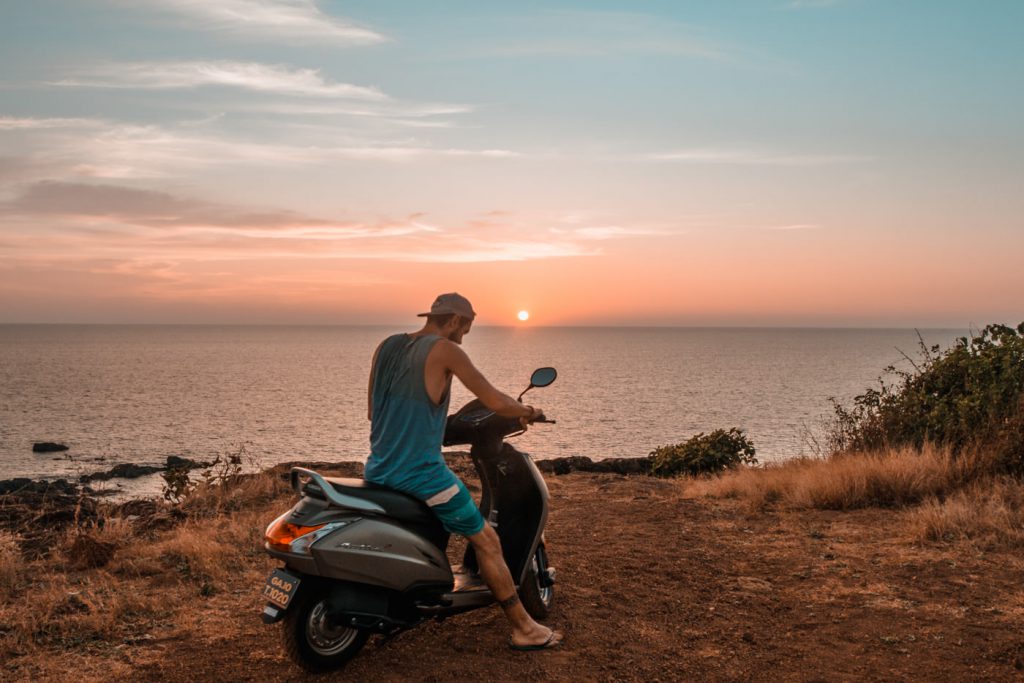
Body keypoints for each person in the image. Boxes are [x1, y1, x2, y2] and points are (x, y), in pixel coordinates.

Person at [365, 292, 562, 651]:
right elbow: (492, 398)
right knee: (486, 539)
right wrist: (527, 409)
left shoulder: (387, 346)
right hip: (419, 472)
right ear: (455, 320)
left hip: (379, 467)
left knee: (436, 525)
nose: (465, 335)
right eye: (466, 327)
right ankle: (524, 628)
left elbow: (372, 412)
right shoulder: (446, 350)